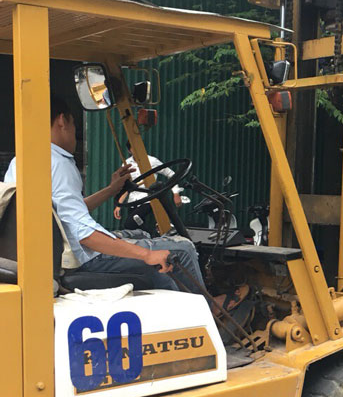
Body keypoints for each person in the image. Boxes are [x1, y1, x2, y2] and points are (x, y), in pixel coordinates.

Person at [4, 94, 205, 293]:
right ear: (62, 121)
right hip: (82, 258)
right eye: (73, 125)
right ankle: (208, 307)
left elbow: (63, 215)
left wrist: (111, 190)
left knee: (141, 234)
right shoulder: (58, 163)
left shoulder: (24, 160)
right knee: (183, 249)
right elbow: (84, 235)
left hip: (53, 253)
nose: (74, 133)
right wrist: (146, 254)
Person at [114, 142, 183, 230]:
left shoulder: (152, 161)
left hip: (148, 199)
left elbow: (171, 174)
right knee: (134, 229)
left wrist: (176, 193)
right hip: (133, 201)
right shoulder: (126, 164)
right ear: (129, 150)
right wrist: (119, 205)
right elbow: (126, 186)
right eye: (133, 148)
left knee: (130, 223)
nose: (137, 150)